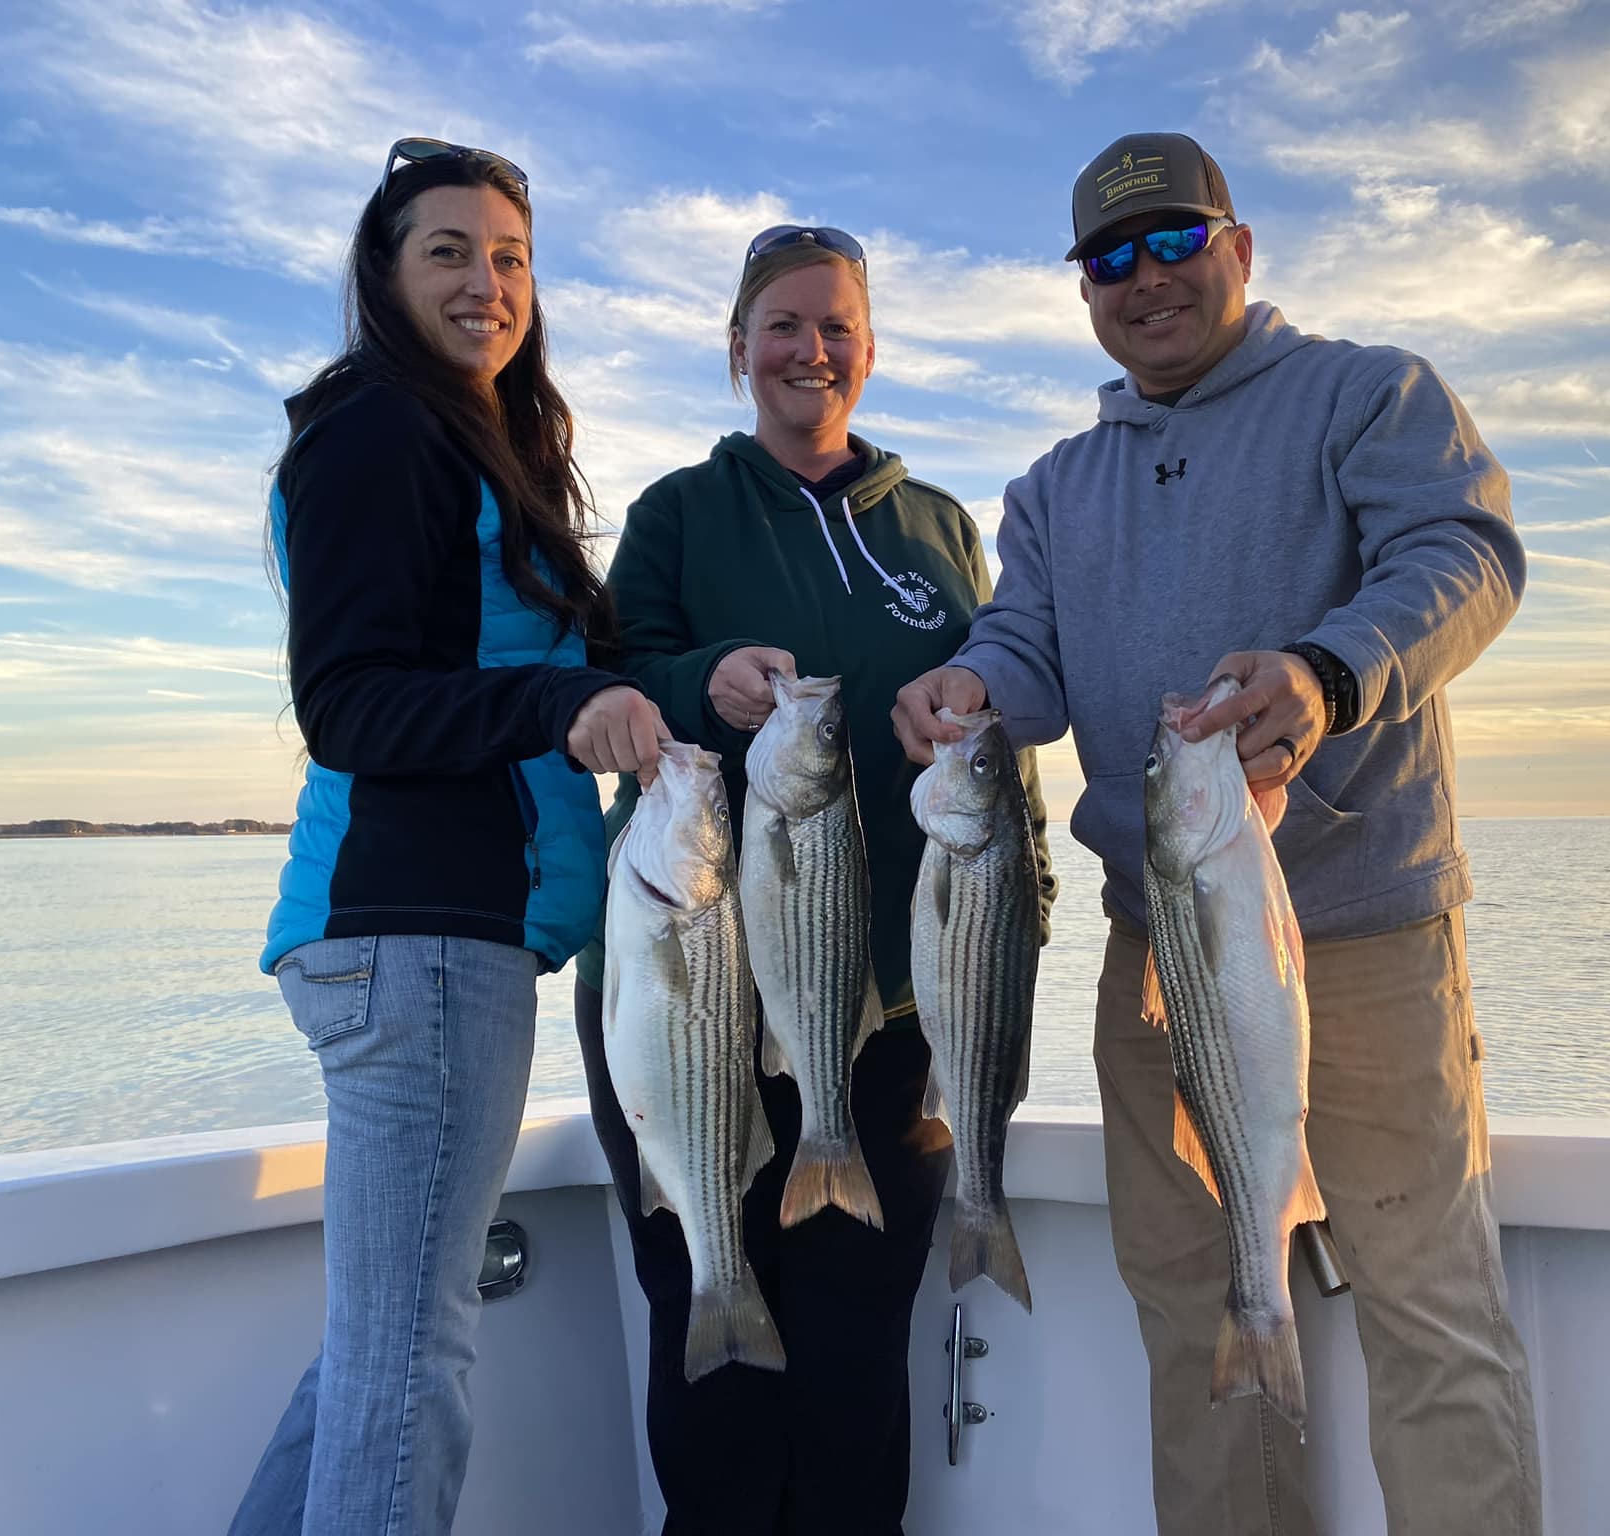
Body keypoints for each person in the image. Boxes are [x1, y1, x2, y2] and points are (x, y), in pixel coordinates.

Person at [894, 132, 1542, 1535]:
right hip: (1156, 956)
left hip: (1366, 929)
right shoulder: (1061, 483)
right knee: (1198, 1319)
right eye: (1110, 260)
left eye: (1176, 241)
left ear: (1241, 247)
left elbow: (1467, 556)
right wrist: (973, 686)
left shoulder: (1367, 395)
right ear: (1083, 294)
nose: (1146, 279)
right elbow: (1025, 644)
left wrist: (1326, 671)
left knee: (1427, 1302)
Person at [570, 223, 1053, 1536]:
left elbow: (999, 716)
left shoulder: (941, 528)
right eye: (783, 324)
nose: (811, 349)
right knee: (711, 1341)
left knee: (852, 1366)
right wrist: (694, 679)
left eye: (836, 326)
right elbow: (611, 678)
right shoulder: (677, 512)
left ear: (871, 350)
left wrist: (977, 720)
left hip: (882, 1008)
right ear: (737, 350)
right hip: (694, 997)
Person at [231, 137, 663, 1535]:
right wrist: (560, 703)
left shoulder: (479, 443)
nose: (490, 282)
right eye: (450, 253)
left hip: (435, 943)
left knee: (378, 1352)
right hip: (413, 940)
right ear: (385, 272)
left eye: (512, 257)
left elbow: (534, 655)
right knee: (413, 1361)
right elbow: (349, 703)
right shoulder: (378, 429)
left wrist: (661, 677)